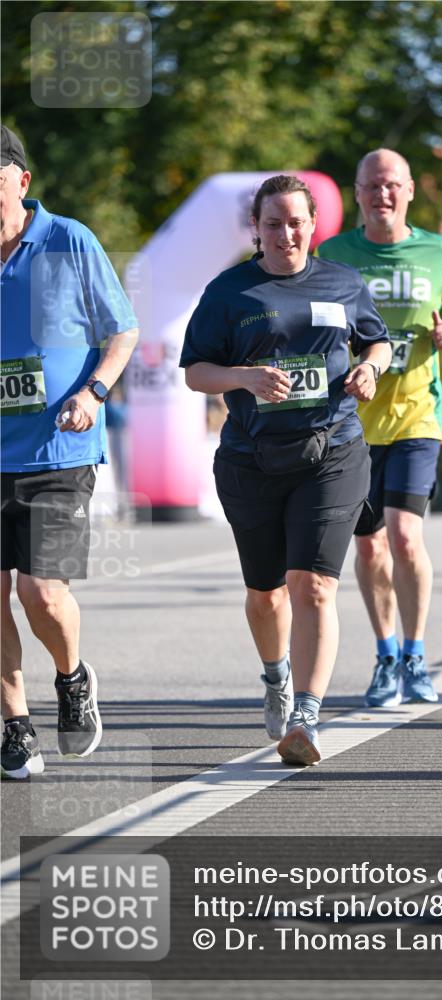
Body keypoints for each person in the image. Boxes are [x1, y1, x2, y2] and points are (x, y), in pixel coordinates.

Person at [180, 174, 391, 766]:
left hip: (333, 448)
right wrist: (244, 378)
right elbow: (196, 370)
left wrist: (371, 369)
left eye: (296, 221)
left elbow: (376, 342)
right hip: (252, 458)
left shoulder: (343, 283)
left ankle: (306, 713)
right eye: (273, 223)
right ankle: (275, 675)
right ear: (257, 228)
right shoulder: (230, 292)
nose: (286, 233)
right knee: (266, 593)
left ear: (313, 224)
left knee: (315, 585)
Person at [1, 125, 138, 779]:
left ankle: (71, 677)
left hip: (59, 445)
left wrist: (94, 389)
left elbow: (122, 330)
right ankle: (16, 725)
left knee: (41, 593)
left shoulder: (68, 240)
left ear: (21, 182)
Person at [318, 149, 442, 708]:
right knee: (369, 549)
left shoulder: (438, 250)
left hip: (417, 413)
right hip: (353, 423)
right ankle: (385, 654)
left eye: (392, 186)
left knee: (405, 536)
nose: (381, 195)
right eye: (371, 186)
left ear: (409, 191)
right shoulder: (333, 254)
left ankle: (415, 653)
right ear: (357, 193)